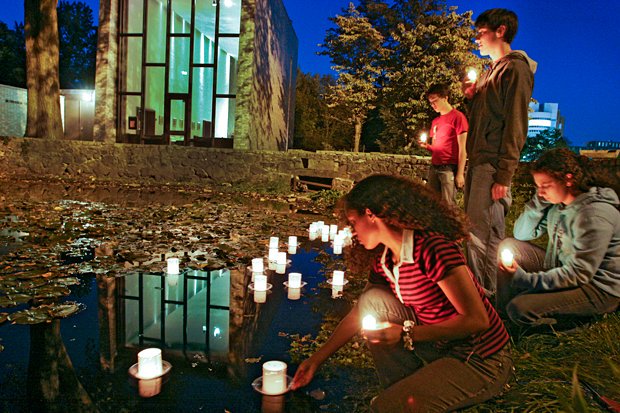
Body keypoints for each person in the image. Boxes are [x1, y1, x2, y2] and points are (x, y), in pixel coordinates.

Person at [291, 175, 512, 413]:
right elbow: (360, 311)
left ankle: (404, 398)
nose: (352, 231)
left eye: (354, 222)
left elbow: (477, 320)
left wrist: (407, 333)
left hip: (480, 358)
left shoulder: (433, 248)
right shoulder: (385, 258)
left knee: (384, 408)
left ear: (371, 215)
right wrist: (316, 360)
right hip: (441, 346)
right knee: (372, 301)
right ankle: (404, 389)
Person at [496, 148, 620, 329]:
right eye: (537, 186)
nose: (540, 192)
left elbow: (580, 273)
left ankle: (573, 324)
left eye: (545, 185)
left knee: (520, 308)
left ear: (568, 179)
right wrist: (537, 204)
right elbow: (521, 234)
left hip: (598, 288)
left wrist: (525, 279)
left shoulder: (594, 214)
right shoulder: (559, 206)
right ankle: (501, 315)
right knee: (509, 245)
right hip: (566, 270)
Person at [462, 8, 537, 295]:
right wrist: (472, 98)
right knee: (478, 233)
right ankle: (484, 299)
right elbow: (487, 121)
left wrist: (504, 175)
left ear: (500, 30)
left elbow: (515, 124)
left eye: (480, 33)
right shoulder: (490, 73)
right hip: (479, 162)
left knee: (481, 236)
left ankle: (483, 304)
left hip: (491, 166)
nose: (476, 40)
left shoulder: (515, 69)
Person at [419, 83, 468, 206]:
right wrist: (428, 147)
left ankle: (451, 225)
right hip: (434, 167)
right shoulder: (435, 121)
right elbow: (438, 149)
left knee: (448, 205)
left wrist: (460, 173)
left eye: (435, 100)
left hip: (449, 168)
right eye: (430, 102)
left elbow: (463, 148)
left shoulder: (458, 118)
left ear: (445, 98)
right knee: (432, 203)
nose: (433, 105)